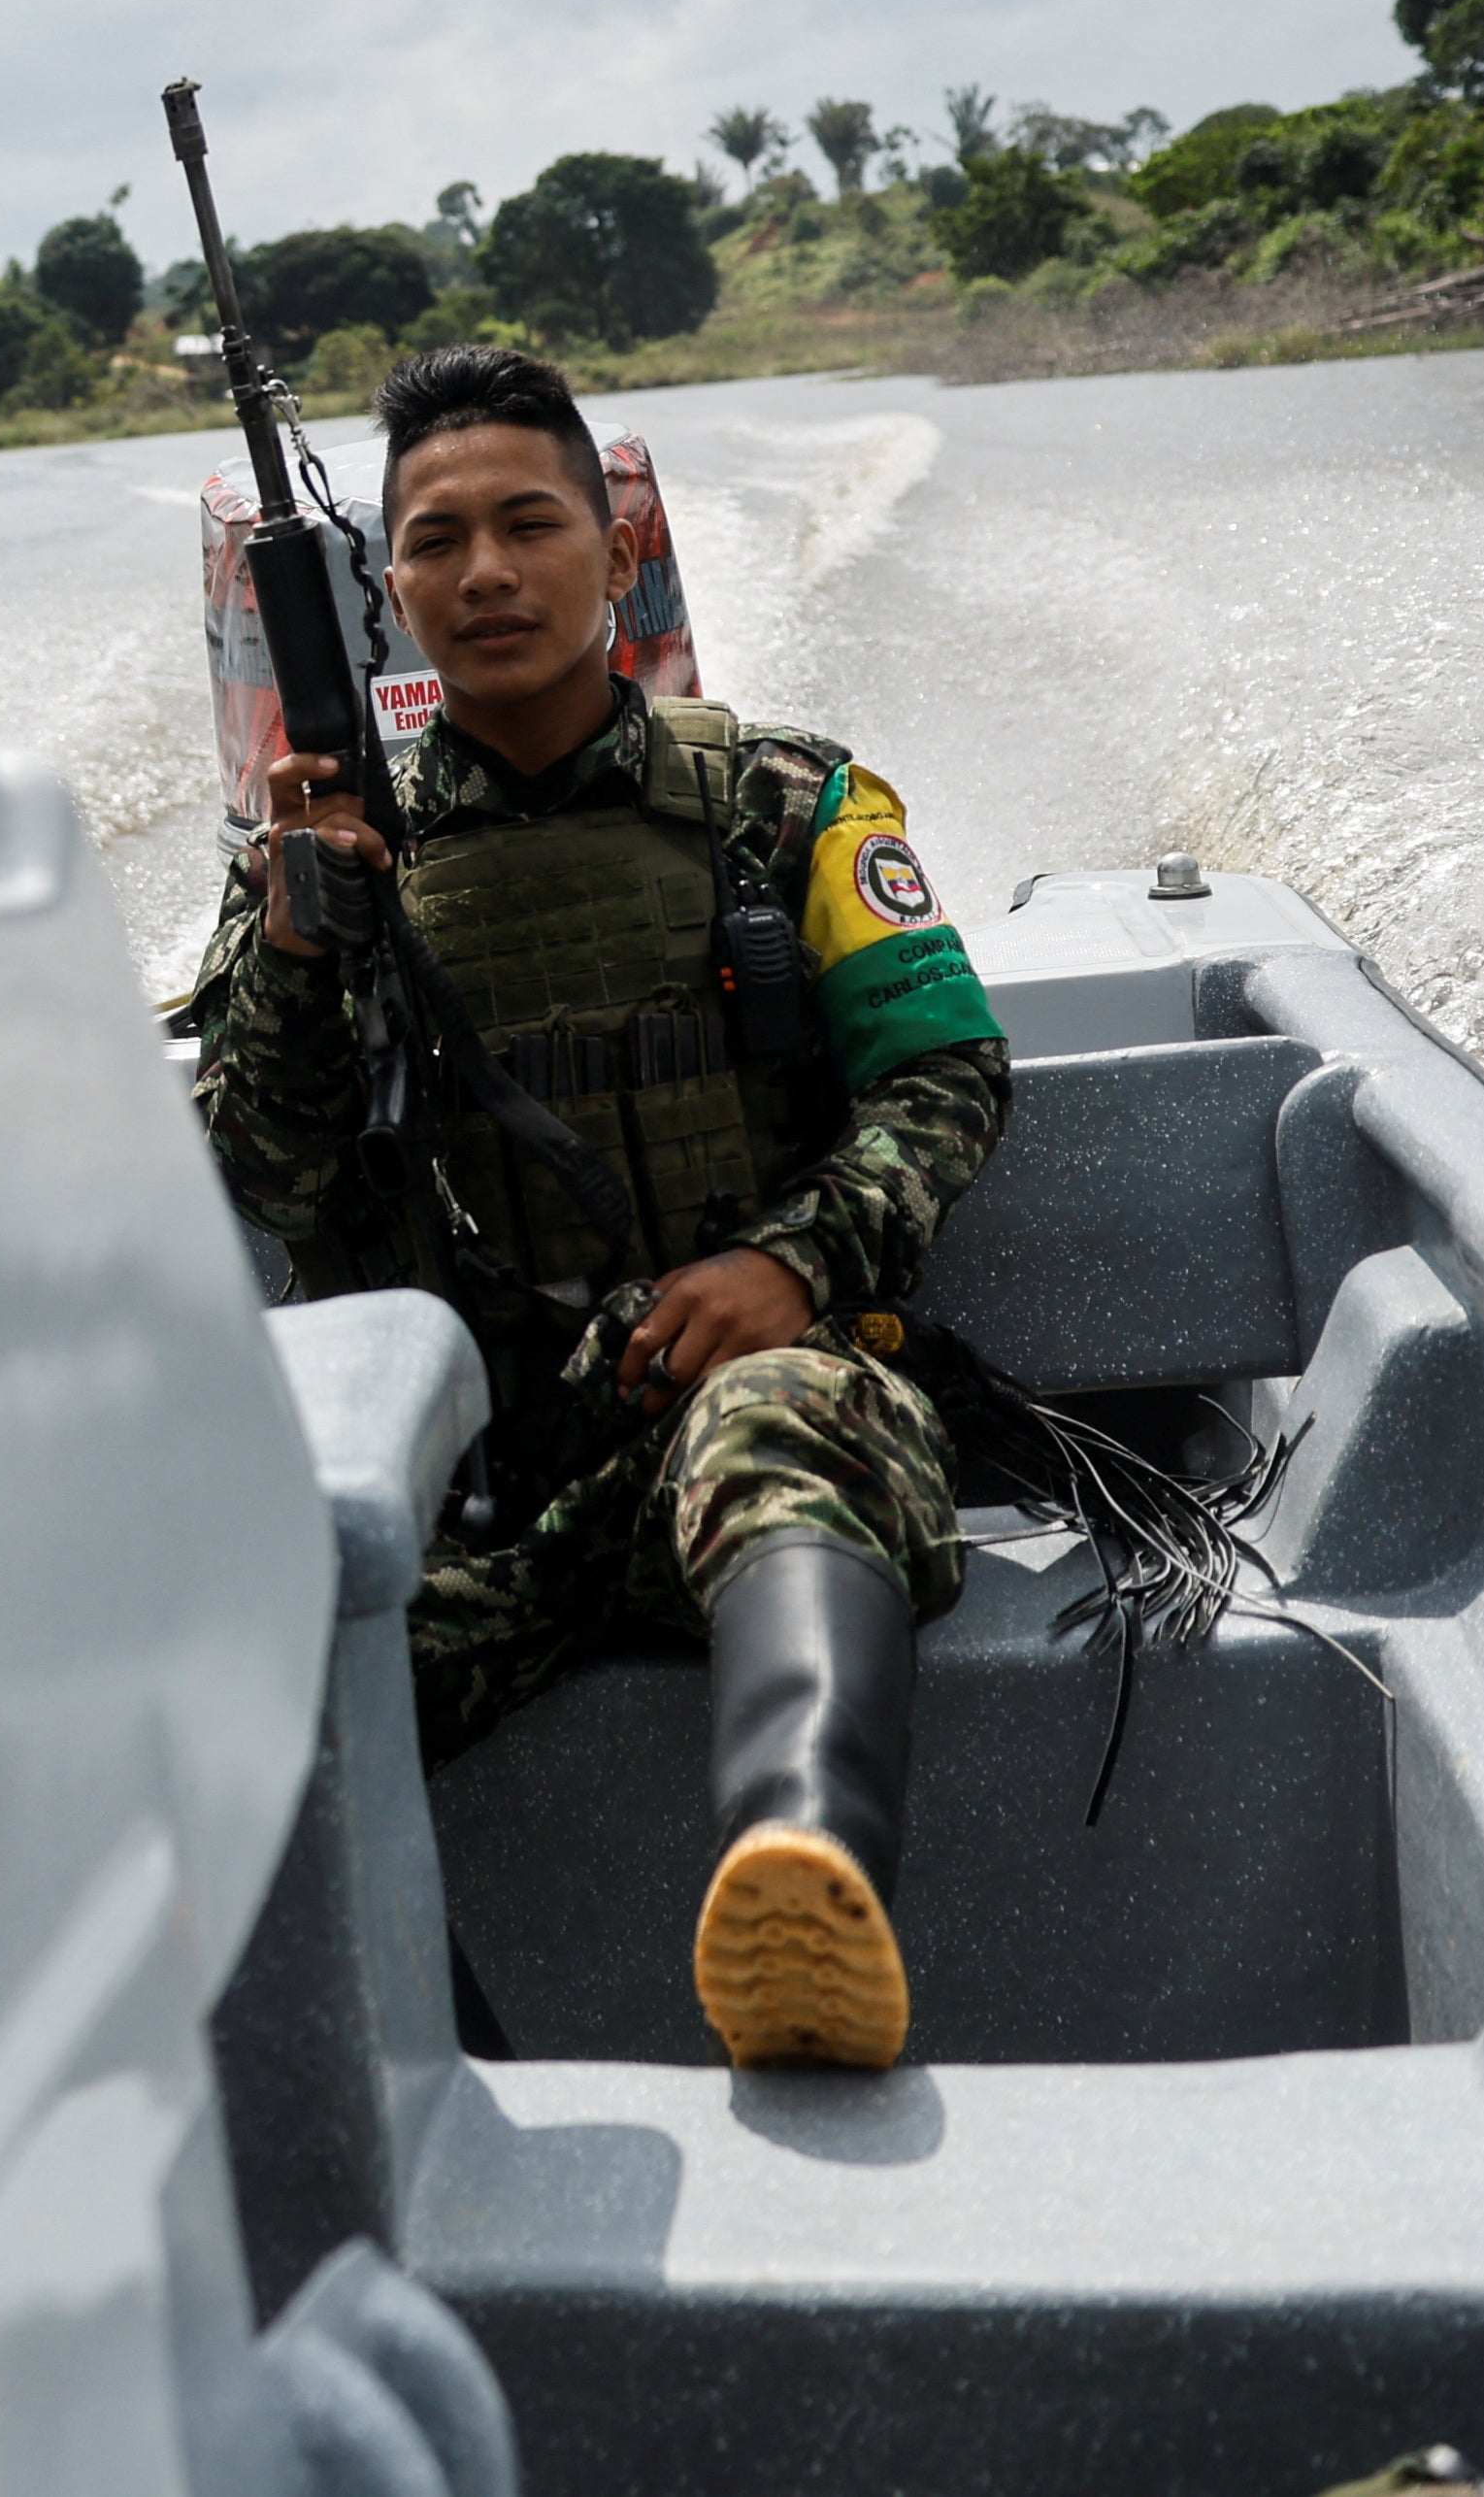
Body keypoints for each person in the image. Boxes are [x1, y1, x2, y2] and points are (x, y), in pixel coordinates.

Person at [190, 342, 1008, 2069]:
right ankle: (436, 2099)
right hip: (489, 1503)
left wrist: (790, 1266)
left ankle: (802, 1886)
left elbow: (945, 1080)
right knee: (241, 1691)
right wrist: (293, 936)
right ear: (385, 591)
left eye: (528, 524)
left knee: (788, 1412)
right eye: (434, 541)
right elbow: (277, 1180)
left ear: (616, 556)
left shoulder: (784, 803)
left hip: (769, 1425)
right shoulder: (322, 867)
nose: (485, 573)